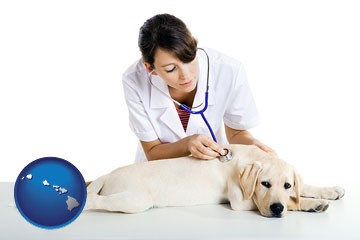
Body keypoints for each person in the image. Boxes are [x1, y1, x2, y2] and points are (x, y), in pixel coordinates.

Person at [122, 13, 273, 163]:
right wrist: (187, 144)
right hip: (158, 172)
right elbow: (152, 151)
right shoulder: (134, 80)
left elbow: (236, 133)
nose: (186, 75)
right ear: (150, 68)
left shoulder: (228, 70)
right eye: (170, 69)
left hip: (210, 169)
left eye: (189, 59)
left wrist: (254, 147)